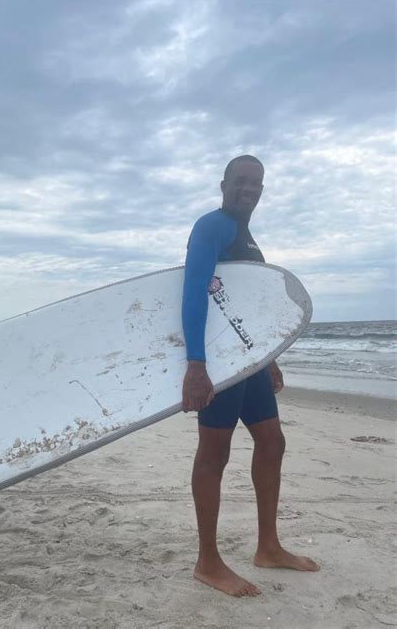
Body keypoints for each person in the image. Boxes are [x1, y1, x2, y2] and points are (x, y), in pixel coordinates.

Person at [182, 155, 320, 598]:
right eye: (241, 181)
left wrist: (269, 356)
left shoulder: (245, 237)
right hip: (220, 363)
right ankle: (207, 561)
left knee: (273, 441)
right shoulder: (213, 227)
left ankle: (268, 546)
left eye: (256, 183)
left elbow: (245, 304)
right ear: (223, 184)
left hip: (250, 362)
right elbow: (195, 292)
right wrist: (197, 365)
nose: (248, 189)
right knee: (214, 453)